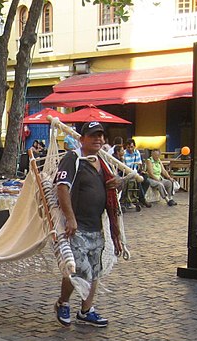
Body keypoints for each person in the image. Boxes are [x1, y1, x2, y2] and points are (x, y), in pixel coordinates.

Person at [53, 121, 122, 328]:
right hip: (78, 226)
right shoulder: (73, 158)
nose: (98, 139)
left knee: (95, 270)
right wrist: (71, 218)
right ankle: (63, 302)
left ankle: (86, 310)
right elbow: (62, 187)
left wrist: (118, 182)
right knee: (78, 270)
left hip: (96, 226)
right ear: (81, 139)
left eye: (101, 136)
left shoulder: (103, 162)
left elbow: (112, 185)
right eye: (93, 136)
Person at [122, 139, 151, 208]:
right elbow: (124, 166)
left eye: (132, 147)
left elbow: (139, 163)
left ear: (134, 146)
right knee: (138, 181)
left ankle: (139, 198)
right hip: (128, 173)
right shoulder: (124, 154)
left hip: (136, 171)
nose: (130, 149)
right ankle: (142, 199)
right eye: (128, 147)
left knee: (147, 181)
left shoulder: (137, 152)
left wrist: (140, 170)